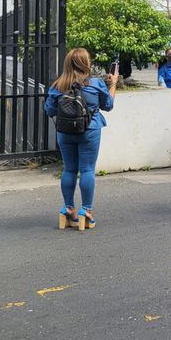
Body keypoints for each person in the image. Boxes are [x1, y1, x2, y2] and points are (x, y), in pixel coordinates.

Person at [45, 47, 117, 230]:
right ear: (86, 63)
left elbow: (50, 110)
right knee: (87, 170)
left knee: (69, 169)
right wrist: (113, 84)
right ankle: (87, 211)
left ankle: (68, 208)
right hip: (90, 130)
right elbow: (108, 105)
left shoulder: (57, 85)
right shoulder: (95, 83)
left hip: (65, 132)